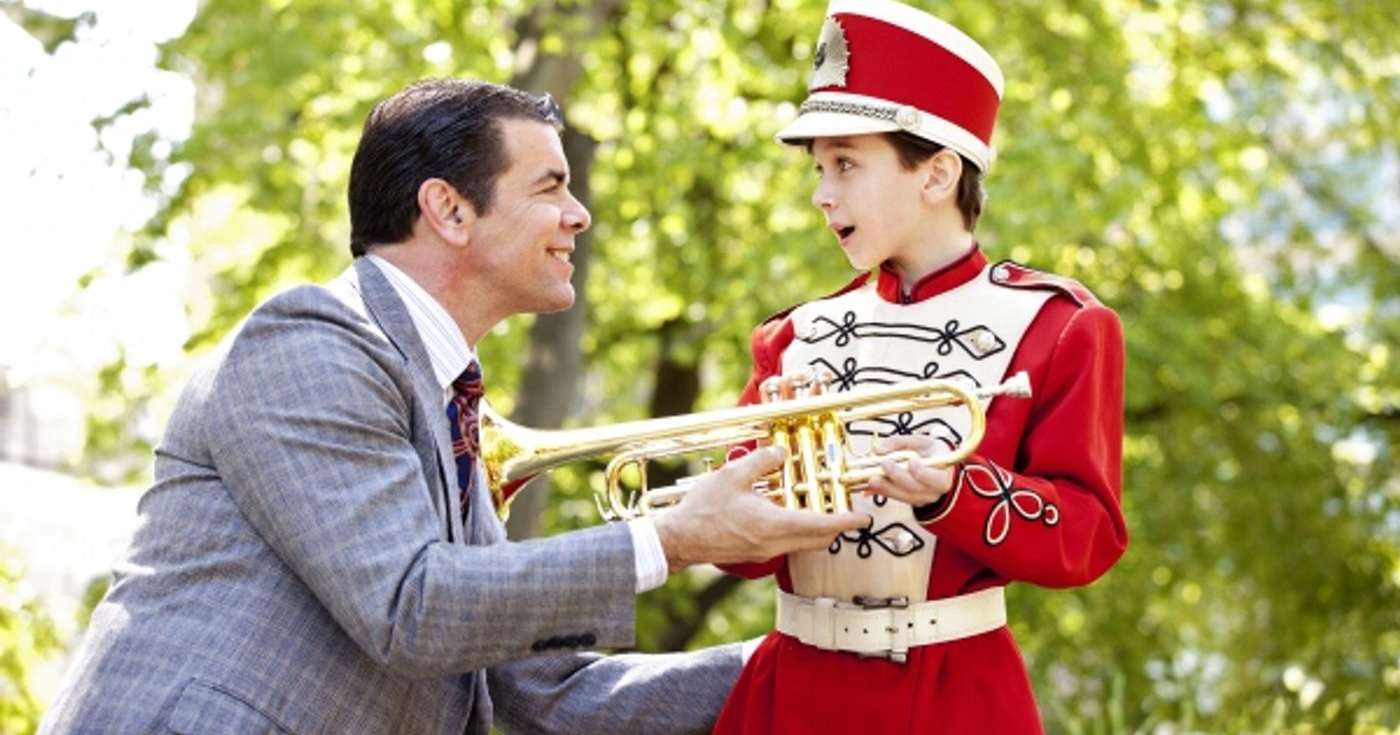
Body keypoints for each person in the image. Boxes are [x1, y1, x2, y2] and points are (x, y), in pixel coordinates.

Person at [40, 77, 869, 735]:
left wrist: (816, 663)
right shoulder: (308, 341)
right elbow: (412, 607)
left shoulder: (446, 400)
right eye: (550, 186)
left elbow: (543, 689)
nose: (578, 215)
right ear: (448, 209)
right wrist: (674, 538)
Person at [710, 0, 1129, 735]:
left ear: (938, 173)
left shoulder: (1060, 328)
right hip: (786, 698)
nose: (823, 192)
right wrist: (772, 472)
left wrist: (952, 493)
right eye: (819, 167)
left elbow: (1088, 535)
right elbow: (733, 557)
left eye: (847, 165)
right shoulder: (793, 338)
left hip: (954, 702)